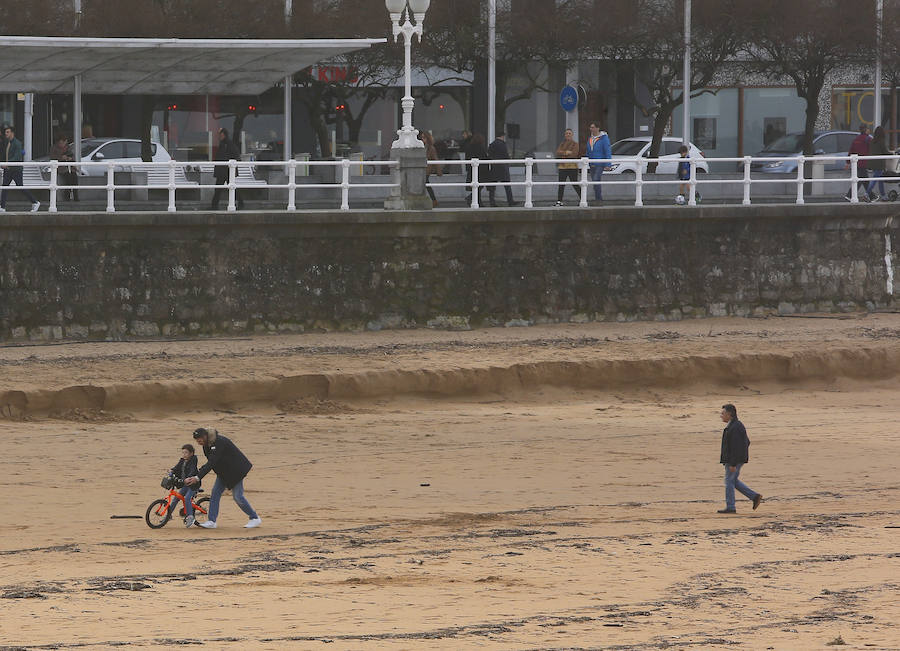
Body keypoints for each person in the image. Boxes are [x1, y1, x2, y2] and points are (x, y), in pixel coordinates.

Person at [184, 427, 260, 529]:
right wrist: (196, 475)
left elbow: (212, 462)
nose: (199, 442)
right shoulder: (206, 445)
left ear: (205, 436)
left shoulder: (219, 442)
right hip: (224, 472)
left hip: (236, 471)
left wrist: (197, 478)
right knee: (215, 493)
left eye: (200, 440)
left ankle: (254, 518)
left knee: (238, 496)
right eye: (197, 441)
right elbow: (210, 462)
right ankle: (212, 521)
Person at [718, 404, 762, 514]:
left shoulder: (735, 427)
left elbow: (737, 446)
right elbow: (746, 442)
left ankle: (731, 507)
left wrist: (733, 463)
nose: (721, 416)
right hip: (734, 459)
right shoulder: (733, 425)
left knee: (729, 481)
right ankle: (754, 496)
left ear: (730, 414)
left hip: (734, 460)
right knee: (733, 481)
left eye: (723, 413)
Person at [0, 125, 40, 213]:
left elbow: (17, 157)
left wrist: (6, 163)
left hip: (15, 169)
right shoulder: (8, 143)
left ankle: (35, 202)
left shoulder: (17, 143)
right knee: (4, 187)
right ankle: (2, 207)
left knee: (20, 186)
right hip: (9, 169)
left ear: (12, 133)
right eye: (5, 132)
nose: (6, 134)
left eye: (8, 132)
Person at [210, 128, 244, 211]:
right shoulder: (226, 144)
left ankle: (214, 205)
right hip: (225, 170)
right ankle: (241, 203)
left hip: (225, 171)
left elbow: (235, 156)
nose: (219, 136)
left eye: (220, 134)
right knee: (226, 188)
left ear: (223, 134)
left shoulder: (227, 144)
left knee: (220, 188)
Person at [170, 443, 201, 528]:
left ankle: (190, 517)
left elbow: (192, 470)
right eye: (183, 453)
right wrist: (171, 471)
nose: (184, 455)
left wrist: (188, 478)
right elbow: (177, 467)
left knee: (187, 498)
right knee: (176, 498)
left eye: (186, 453)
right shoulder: (182, 460)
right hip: (185, 484)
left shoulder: (193, 460)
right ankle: (168, 515)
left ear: (191, 453)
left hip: (193, 484)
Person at [845, 124, 872, 202]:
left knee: (862, 180)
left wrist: (847, 162)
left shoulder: (856, 139)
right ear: (866, 130)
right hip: (864, 162)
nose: (869, 130)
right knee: (861, 180)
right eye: (868, 129)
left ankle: (871, 196)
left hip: (856, 163)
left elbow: (851, 150)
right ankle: (849, 195)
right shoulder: (868, 139)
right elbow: (872, 150)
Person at [586, 122, 611, 203]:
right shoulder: (590, 138)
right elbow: (589, 150)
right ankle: (597, 198)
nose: (591, 129)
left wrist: (608, 164)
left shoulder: (604, 138)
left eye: (593, 127)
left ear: (597, 128)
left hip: (599, 163)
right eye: (590, 127)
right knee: (594, 180)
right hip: (592, 162)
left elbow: (607, 151)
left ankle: (599, 199)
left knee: (596, 179)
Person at [487, 131, 514, 207]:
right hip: (503, 167)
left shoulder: (492, 144)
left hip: (494, 167)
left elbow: (489, 154)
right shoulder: (503, 144)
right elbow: (506, 155)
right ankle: (510, 201)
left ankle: (492, 202)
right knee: (507, 185)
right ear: (502, 136)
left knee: (492, 186)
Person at [555, 128, 581, 205]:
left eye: (569, 133)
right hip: (562, 167)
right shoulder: (562, 144)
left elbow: (574, 154)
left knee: (575, 184)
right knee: (561, 184)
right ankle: (559, 201)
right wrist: (566, 152)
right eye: (566, 133)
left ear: (572, 135)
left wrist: (563, 154)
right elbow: (558, 152)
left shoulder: (575, 144)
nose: (568, 135)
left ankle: (583, 199)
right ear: (565, 135)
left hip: (572, 167)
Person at [49, 134, 78, 201]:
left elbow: (72, 156)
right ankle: (67, 196)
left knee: (74, 177)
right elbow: (52, 158)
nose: (62, 144)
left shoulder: (68, 148)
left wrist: (70, 158)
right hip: (61, 167)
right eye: (61, 142)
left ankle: (76, 196)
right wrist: (61, 157)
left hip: (70, 167)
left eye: (64, 142)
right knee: (68, 178)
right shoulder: (54, 148)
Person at [866, 125, 891, 202]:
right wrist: (892, 154)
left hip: (872, 162)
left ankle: (883, 196)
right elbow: (885, 151)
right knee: (875, 178)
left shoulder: (872, 140)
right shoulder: (881, 141)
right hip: (879, 163)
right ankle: (866, 194)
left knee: (880, 179)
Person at [464, 132, 488, 206]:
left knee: (476, 186)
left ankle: (476, 200)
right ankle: (475, 200)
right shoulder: (481, 148)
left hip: (471, 170)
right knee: (479, 186)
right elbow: (484, 158)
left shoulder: (469, 147)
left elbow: (467, 158)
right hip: (480, 170)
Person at [421, 130, 441, 207]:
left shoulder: (431, 148)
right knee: (426, 184)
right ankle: (433, 200)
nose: (422, 139)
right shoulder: (424, 147)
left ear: (427, 138)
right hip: (424, 168)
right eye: (422, 138)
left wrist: (438, 171)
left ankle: (434, 200)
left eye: (424, 137)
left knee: (426, 184)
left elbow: (435, 159)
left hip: (427, 169)